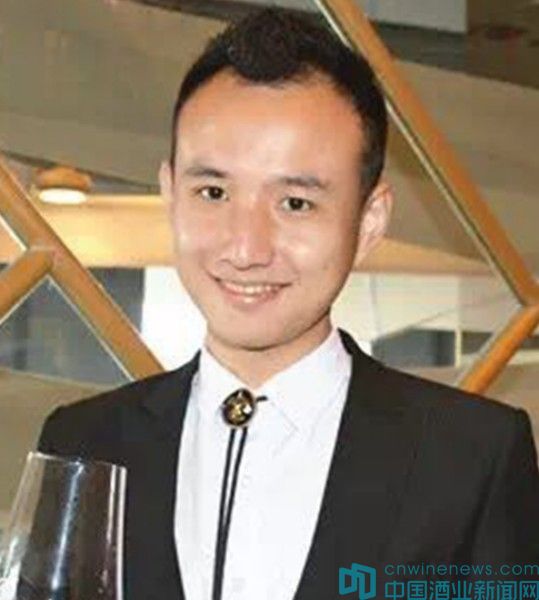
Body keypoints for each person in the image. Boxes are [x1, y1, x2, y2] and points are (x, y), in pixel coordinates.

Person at [37, 7, 539, 600]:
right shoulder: (83, 441)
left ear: (369, 220)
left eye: (295, 203)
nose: (246, 249)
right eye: (213, 192)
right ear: (171, 194)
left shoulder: (471, 457)